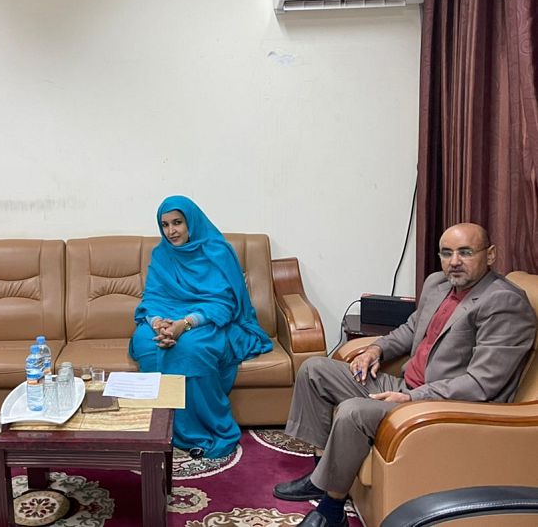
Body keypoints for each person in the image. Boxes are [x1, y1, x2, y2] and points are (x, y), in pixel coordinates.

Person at [273, 223, 536, 527]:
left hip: (442, 404)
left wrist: (412, 398)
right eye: (447, 253)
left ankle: (331, 511)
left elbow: (481, 383)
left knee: (353, 411)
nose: (454, 261)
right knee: (315, 369)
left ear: (490, 255)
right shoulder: (438, 284)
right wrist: (376, 350)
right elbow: (411, 329)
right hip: (406, 385)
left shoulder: (504, 302)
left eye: (465, 252)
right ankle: (321, 475)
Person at [128, 195, 273, 459]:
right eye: (165, 225)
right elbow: (152, 298)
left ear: (191, 222)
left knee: (191, 348)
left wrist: (185, 324)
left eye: (177, 223)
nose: (171, 231)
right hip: (166, 318)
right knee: (146, 343)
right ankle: (160, 428)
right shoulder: (161, 253)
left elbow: (224, 303)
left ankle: (197, 431)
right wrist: (157, 323)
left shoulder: (217, 251)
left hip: (205, 318)